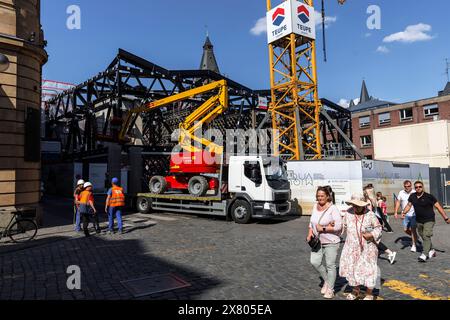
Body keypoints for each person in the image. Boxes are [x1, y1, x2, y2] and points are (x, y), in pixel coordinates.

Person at [339, 194, 382, 300]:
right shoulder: (348, 213)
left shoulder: (370, 215)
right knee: (353, 269)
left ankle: (369, 293)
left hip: (368, 248)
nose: (355, 207)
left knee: (369, 270)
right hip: (352, 247)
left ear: (363, 205)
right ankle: (355, 290)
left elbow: (378, 228)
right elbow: (342, 227)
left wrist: (371, 234)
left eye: (357, 205)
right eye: (353, 205)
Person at [307, 186, 342, 299]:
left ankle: (331, 289)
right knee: (315, 262)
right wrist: (309, 233)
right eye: (318, 196)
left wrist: (324, 229)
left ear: (328, 196)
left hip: (331, 241)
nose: (320, 198)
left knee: (331, 265)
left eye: (322, 196)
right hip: (317, 241)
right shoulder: (315, 206)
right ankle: (327, 281)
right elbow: (312, 222)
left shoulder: (333, 209)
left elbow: (338, 226)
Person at [401, 181, 450, 262]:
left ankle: (424, 254)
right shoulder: (412, 196)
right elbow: (409, 205)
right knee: (423, 236)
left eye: (420, 186)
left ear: (422, 187)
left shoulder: (429, 196)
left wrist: (446, 218)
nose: (418, 188)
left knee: (426, 235)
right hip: (419, 220)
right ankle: (431, 250)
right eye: (416, 187)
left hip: (429, 220)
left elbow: (438, 207)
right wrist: (404, 213)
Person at [394, 180, 419, 252]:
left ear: (411, 186)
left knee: (413, 229)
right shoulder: (401, 192)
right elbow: (398, 202)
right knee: (406, 230)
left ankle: (414, 245)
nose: (407, 187)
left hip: (414, 214)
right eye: (405, 186)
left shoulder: (415, 192)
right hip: (405, 214)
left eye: (408, 186)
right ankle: (415, 237)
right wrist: (395, 212)